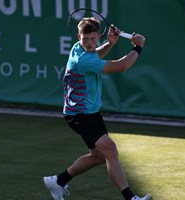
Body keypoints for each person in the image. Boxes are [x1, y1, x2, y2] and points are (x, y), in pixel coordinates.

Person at [43, 17, 151, 200]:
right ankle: (130, 198)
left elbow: (96, 54)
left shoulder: (78, 48)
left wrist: (110, 43)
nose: (90, 43)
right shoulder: (83, 60)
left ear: (97, 37)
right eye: (86, 39)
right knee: (111, 149)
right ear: (79, 36)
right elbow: (121, 66)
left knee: (99, 157)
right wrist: (138, 46)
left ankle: (58, 181)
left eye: (93, 39)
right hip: (79, 114)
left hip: (89, 112)